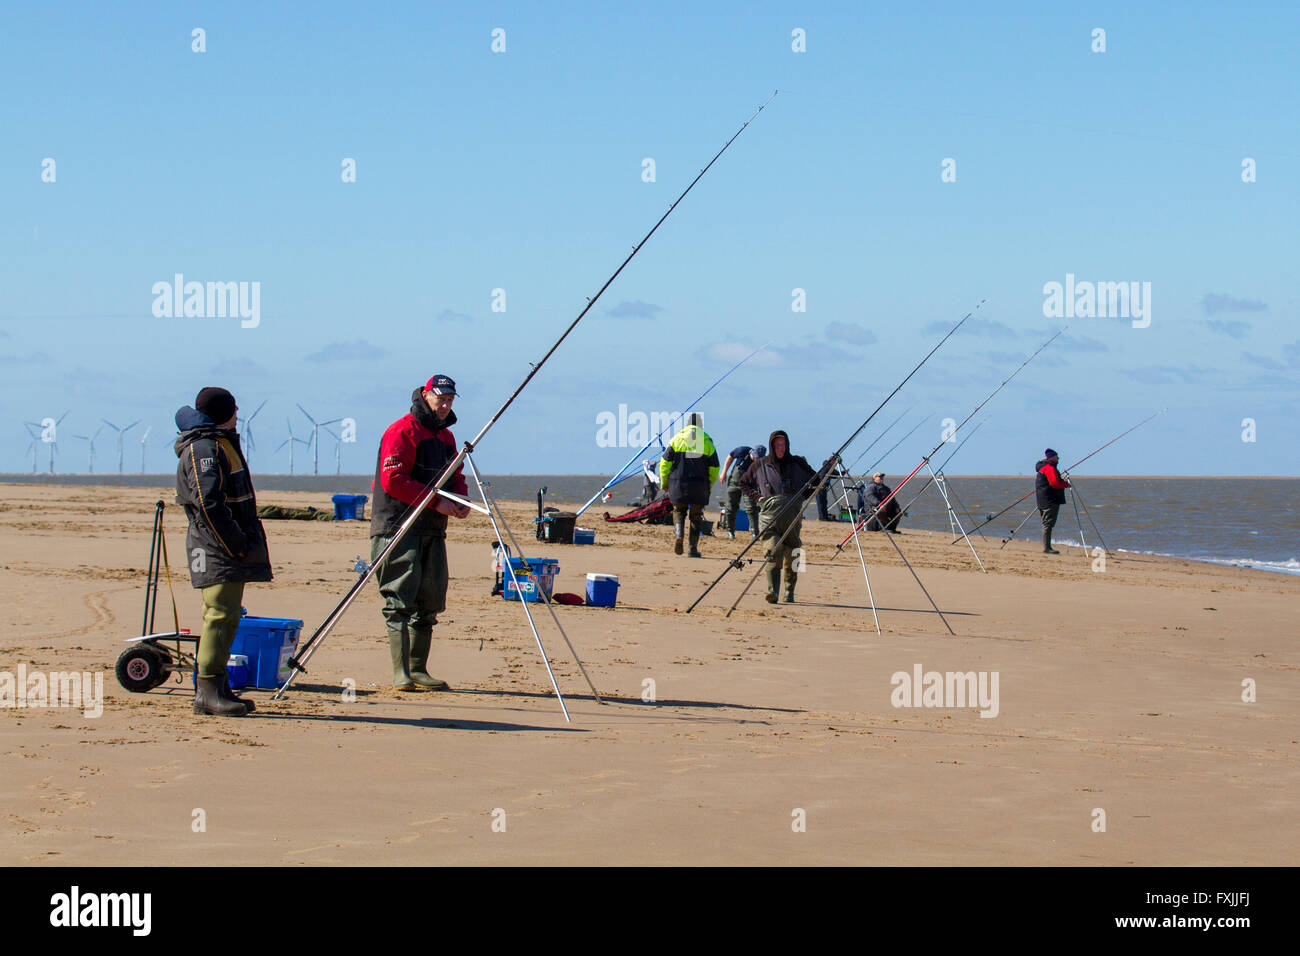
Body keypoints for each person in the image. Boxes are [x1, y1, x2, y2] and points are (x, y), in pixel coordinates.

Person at [370, 374, 471, 690]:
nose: (444, 405)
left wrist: (460, 498)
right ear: (425, 395)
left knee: (429, 599)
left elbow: (456, 474)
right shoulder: (402, 431)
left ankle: (418, 668)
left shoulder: (446, 439)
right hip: (398, 526)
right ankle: (401, 672)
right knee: (399, 599)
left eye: (450, 400)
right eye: (440, 399)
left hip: (432, 529)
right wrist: (436, 502)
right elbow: (393, 480)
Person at [174, 386, 271, 717]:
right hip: (216, 546)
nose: (238, 412)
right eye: (233, 408)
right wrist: (236, 543)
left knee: (226, 615)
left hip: (225, 544)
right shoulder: (204, 448)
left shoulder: (217, 443)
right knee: (219, 614)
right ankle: (208, 691)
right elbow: (208, 503)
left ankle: (218, 685)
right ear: (223, 413)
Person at [738, 430, 834, 604]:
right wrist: (757, 498)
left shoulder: (797, 462)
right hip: (769, 517)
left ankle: (789, 592)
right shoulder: (760, 464)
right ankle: (772, 592)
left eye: (783, 445)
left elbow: (816, 481)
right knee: (772, 552)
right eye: (777, 445)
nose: (780, 448)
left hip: (793, 516)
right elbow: (742, 483)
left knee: (795, 553)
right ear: (772, 446)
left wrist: (802, 498)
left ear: (787, 445)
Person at [659, 412, 719, 557]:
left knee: (678, 511)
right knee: (696, 516)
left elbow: (664, 464)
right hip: (699, 486)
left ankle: (679, 535)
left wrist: (664, 483)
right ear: (701, 425)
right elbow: (715, 468)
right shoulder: (707, 443)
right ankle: (692, 548)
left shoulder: (676, 440)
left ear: (687, 425)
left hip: (678, 484)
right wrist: (709, 486)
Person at [718, 443, 764, 539]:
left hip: (749, 486)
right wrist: (724, 472)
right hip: (735, 482)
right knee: (731, 507)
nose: (757, 460)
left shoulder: (761, 463)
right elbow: (730, 456)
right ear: (753, 453)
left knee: (752, 508)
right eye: (756, 458)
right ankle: (730, 531)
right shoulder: (743, 450)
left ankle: (755, 534)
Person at [1035, 448, 1071, 554]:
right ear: (1051, 457)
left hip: (1043, 499)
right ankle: (1047, 548)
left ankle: (1047, 546)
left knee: (1047, 524)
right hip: (1050, 500)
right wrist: (1066, 484)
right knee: (1048, 524)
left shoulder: (1043, 467)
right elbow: (1055, 483)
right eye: (1056, 457)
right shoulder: (1049, 468)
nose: (1058, 459)